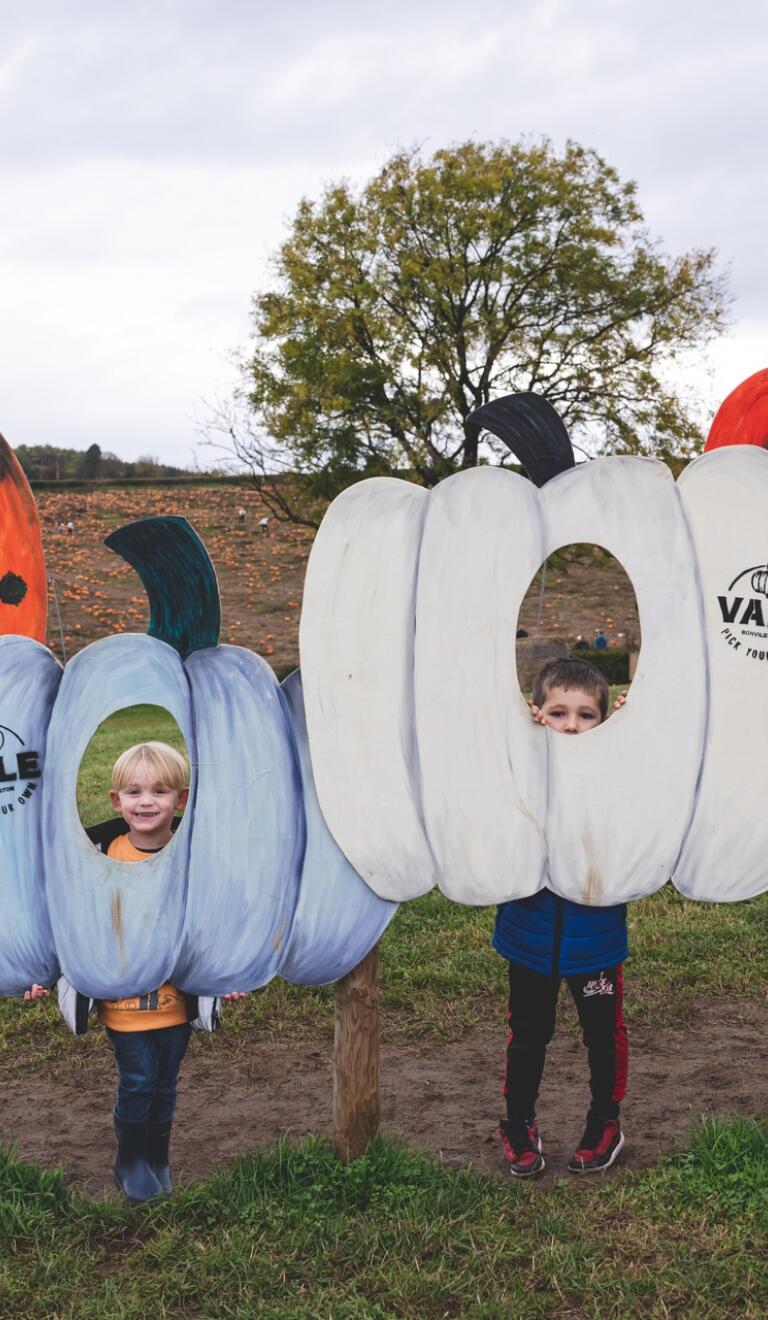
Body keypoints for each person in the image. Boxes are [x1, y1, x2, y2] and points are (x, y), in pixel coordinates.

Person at [26, 741, 246, 1203]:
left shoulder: (194, 858)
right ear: (116, 802)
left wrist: (229, 972)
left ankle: (156, 1157)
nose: (146, 801)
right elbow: (67, 922)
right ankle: (130, 1162)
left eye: (160, 791)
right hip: (123, 1005)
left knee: (165, 1085)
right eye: (134, 792)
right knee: (140, 1080)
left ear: (180, 800)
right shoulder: (101, 855)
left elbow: (217, 922)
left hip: (175, 1004)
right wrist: (41, 972)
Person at [493, 658, 628, 1177]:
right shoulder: (522, 763)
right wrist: (516, 731)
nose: (571, 725)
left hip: (595, 939)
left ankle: (605, 1123)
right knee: (528, 1034)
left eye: (587, 715)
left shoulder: (613, 770)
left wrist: (627, 736)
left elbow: (642, 790)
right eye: (557, 712)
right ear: (538, 715)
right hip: (528, 935)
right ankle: (518, 1125)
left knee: (602, 1035)